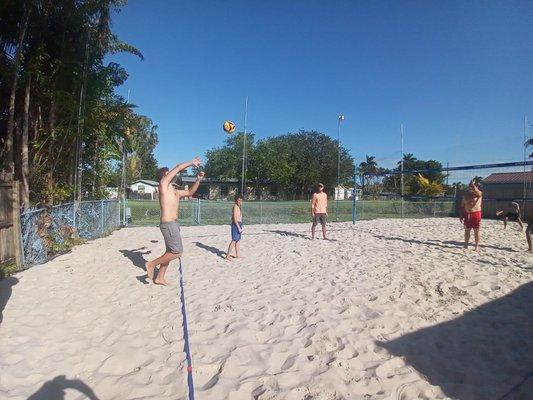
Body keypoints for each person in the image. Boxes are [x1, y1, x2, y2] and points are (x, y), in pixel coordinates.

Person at [145, 157, 204, 285]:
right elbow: (178, 167)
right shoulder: (163, 185)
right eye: (168, 172)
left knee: (169, 252)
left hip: (174, 224)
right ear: (164, 176)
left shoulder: (174, 191)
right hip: (168, 224)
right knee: (177, 252)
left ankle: (160, 277)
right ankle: (151, 264)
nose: (172, 173)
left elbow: (189, 192)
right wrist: (191, 163)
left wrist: (198, 180)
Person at [460, 180, 483, 251]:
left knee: (476, 231)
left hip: (476, 214)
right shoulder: (465, 196)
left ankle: (476, 246)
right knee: (467, 231)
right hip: (467, 215)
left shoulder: (478, 194)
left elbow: (479, 193)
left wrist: (473, 185)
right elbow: (462, 206)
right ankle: (466, 245)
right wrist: (461, 215)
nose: (470, 188)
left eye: (472, 187)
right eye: (469, 187)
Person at [225, 195, 243, 261]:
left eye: (241, 200)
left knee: (238, 240)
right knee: (234, 240)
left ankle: (237, 254)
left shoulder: (239, 207)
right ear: (236, 200)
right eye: (239, 200)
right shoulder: (235, 206)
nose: (240, 201)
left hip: (239, 224)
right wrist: (238, 227)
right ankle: (227, 255)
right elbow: (235, 218)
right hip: (236, 225)